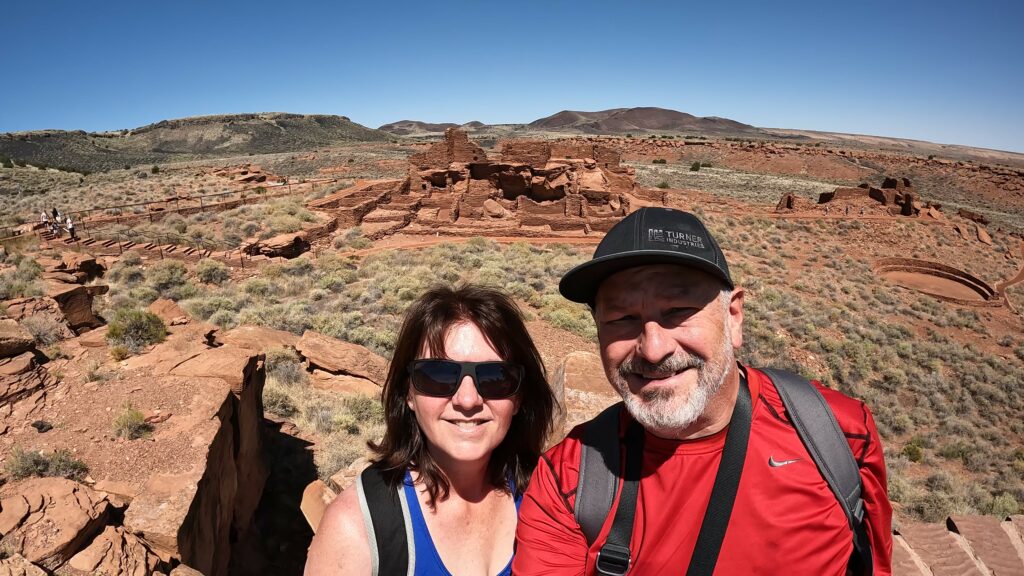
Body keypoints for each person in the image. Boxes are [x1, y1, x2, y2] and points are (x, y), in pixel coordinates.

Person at [513, 207, 892, 575]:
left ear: (733, 317)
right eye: (622, 319)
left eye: (678, 311)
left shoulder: (836, 434)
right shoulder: (568, 480)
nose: (653, 348)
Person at [306, 284, 556, 575]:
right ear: (408, 393)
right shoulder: (357, 527)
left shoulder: (550, 498)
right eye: (439, 375)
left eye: (495, 377)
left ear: (519, 397)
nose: (467, 400)